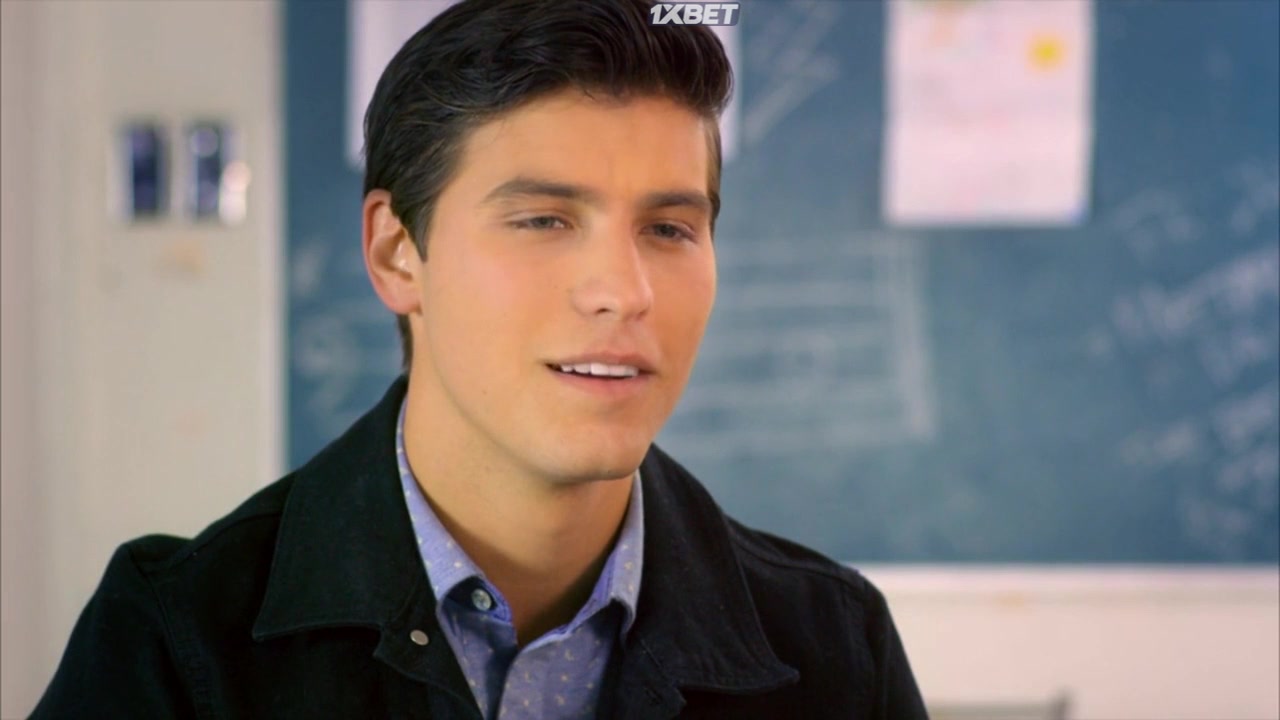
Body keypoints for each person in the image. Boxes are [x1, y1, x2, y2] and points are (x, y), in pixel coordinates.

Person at [32, 1, 927, 717]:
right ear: (396, 254)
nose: (624, 291)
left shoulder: (834, 646)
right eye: (543, 220)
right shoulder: (177, 641)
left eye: (668, 228)